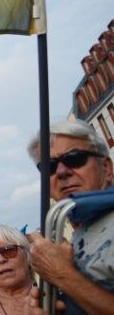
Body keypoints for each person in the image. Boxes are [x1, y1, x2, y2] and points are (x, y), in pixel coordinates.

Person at [26, 118, 114, 314]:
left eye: (75, 158)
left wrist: (62, 274)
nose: (61, 172)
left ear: (106, 168)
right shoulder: (80, 231)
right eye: (49, 166)